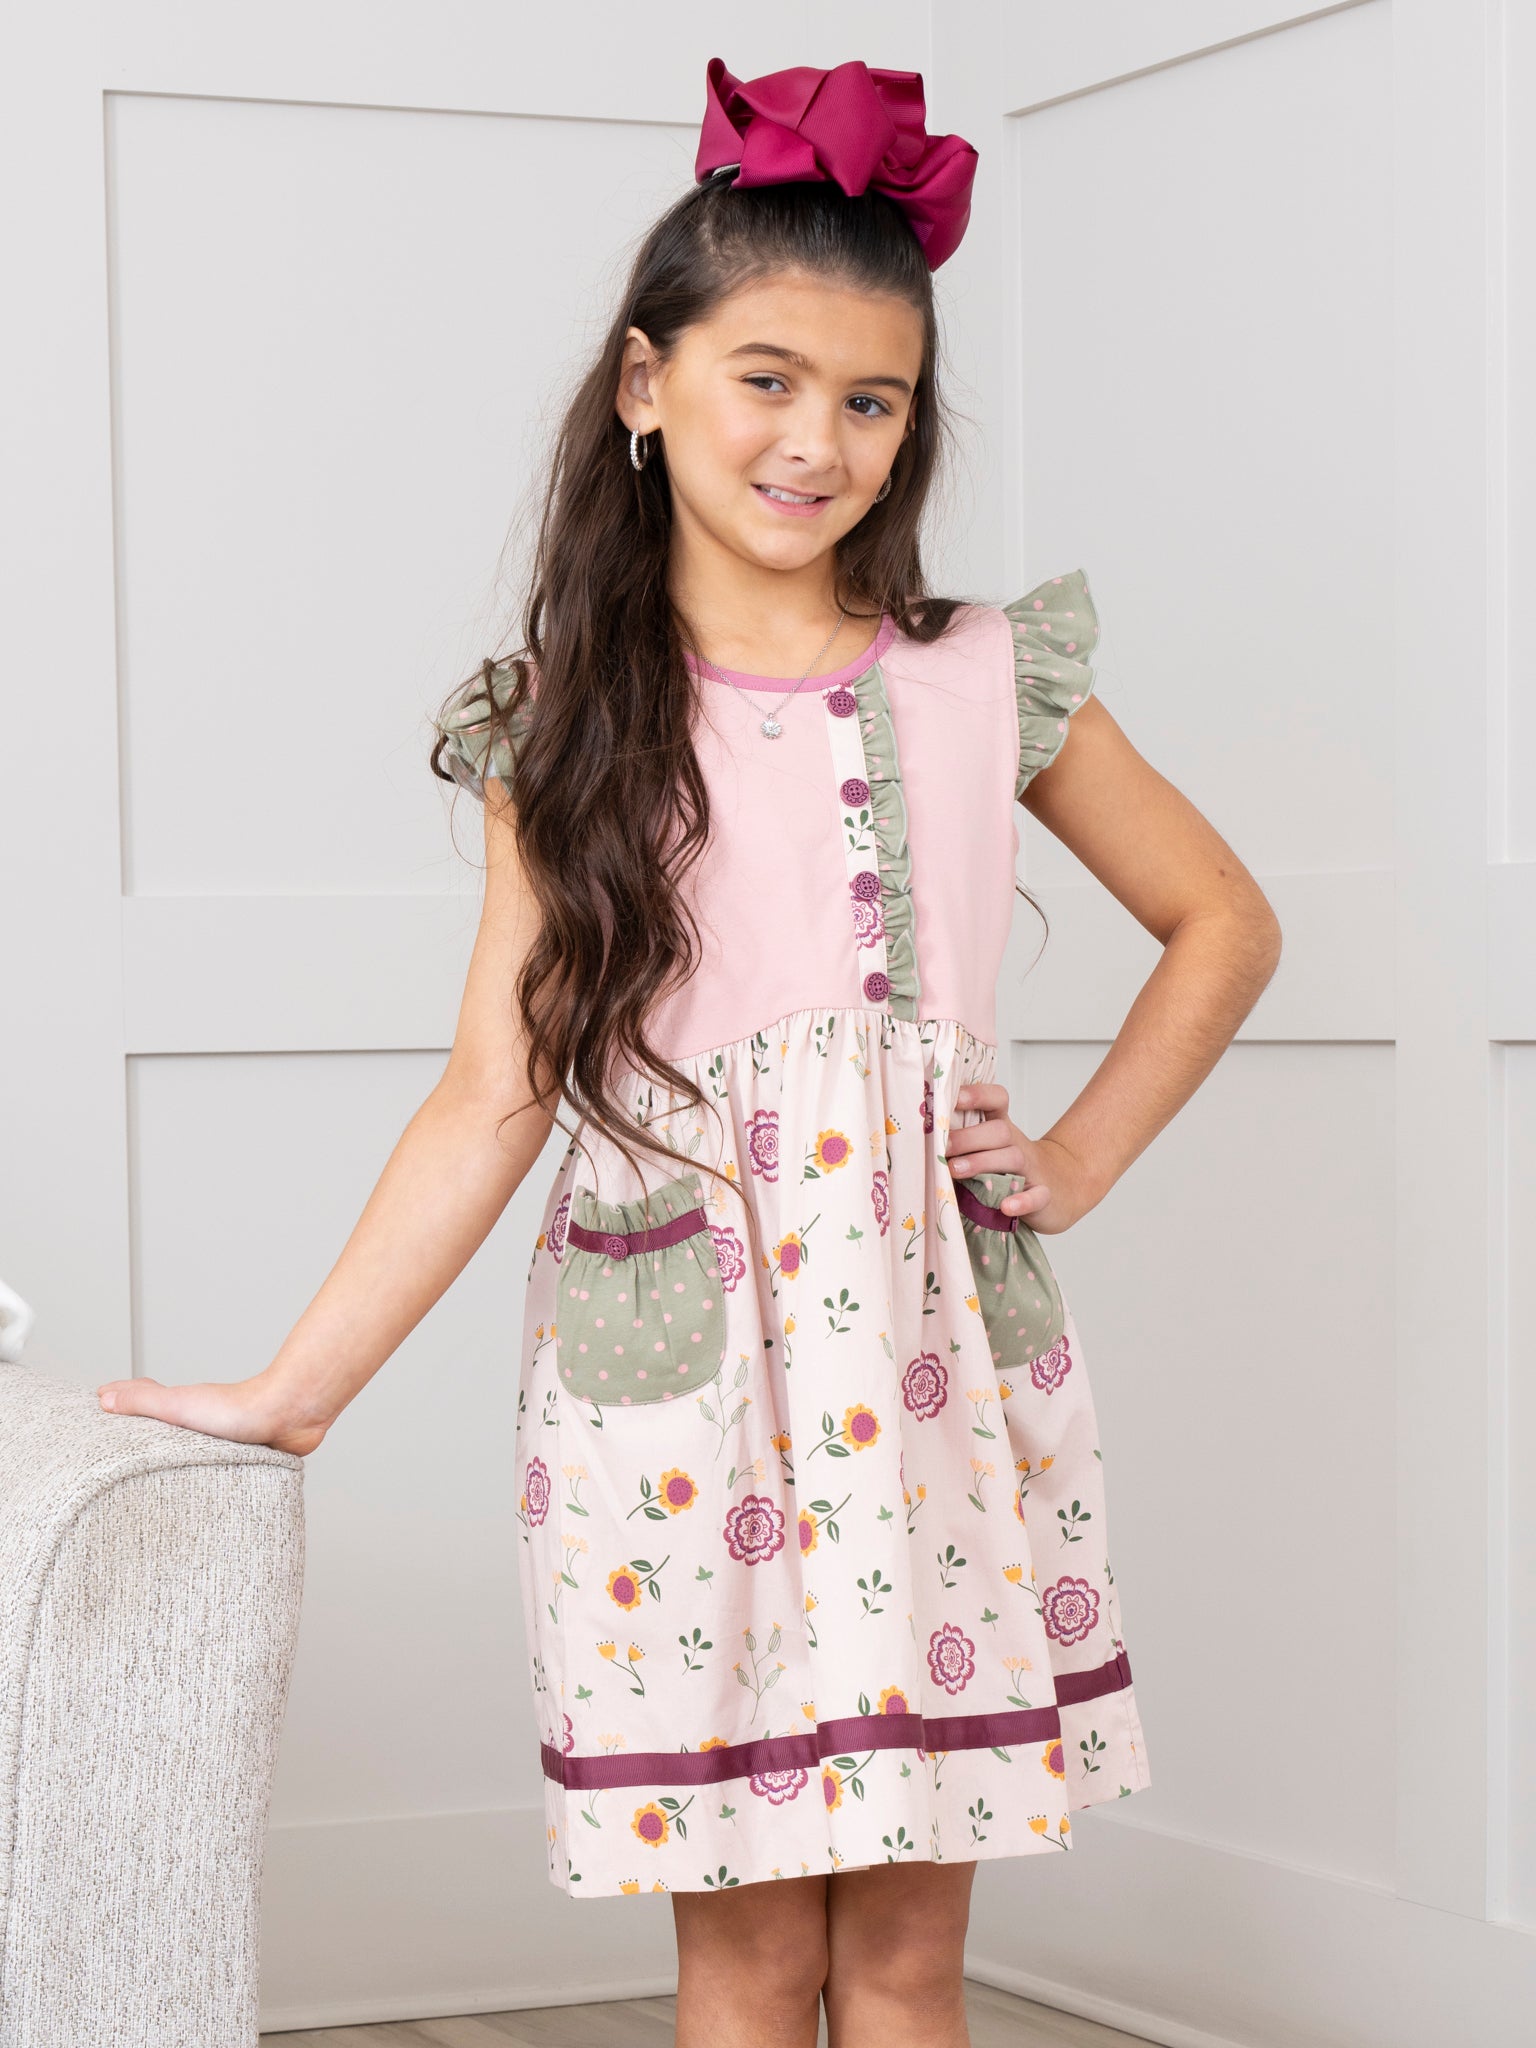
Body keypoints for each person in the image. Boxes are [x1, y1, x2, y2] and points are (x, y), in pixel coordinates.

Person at [95, 55, 1281, 2048]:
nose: (817, 439)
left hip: (923, 1385)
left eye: (873, 399)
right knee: (740, 1960)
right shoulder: (560, 720)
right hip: (674, 1399)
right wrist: (298, 1389)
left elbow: (1225, 921)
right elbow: (492, 1091)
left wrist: (1071, 1158)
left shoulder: (984, 677)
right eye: (767, 379)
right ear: (646, 385)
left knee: (904, 1961)